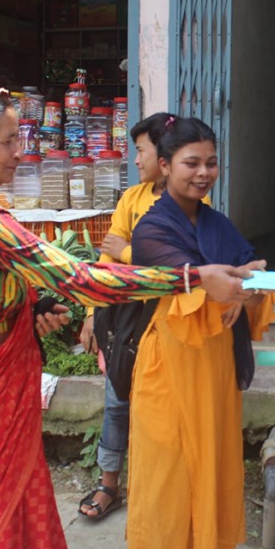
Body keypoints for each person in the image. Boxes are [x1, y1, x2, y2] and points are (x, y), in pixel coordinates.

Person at [0, 86, 253, 549]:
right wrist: (191, 277)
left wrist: (24, 307)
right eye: (8, 141)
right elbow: (79, 279)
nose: (21, 152)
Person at [127, 116, 275, 549]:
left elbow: (256, 274)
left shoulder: (218, 224)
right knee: (167, 485)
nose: (204, 173)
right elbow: (203, 282)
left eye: (212, 163)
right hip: (171, 368)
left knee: (211, 475)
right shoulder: (152, 229)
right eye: (191, 163)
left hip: (215, 370)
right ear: (166, 165)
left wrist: (244, 288)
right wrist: (237, 284)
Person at [77, 111, 180, 520]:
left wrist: (126, 251)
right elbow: (105, 259)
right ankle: (108, 486)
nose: (135, 160)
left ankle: (158, 491)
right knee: (117, 402)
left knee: (162, 409)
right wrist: (90, 311)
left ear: (165, 155)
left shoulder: (188, 200)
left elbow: (172, 267)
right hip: (120, 318)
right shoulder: (130, 199)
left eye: (141, 151)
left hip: (164, 320)